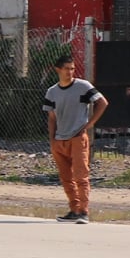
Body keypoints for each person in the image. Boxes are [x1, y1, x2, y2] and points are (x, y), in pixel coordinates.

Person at [43, 53, 107, 224]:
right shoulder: (52, 92)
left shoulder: (83, 86)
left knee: (81, 175)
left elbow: (102, 103)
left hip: (77, 137)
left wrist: (90, 124)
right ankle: (74, 209)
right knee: (66, 178)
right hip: (59, 139)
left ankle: (84, 211)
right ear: (58, 70)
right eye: (66, 69)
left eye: (72, 69)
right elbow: (51, 117)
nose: (70, 72)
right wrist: (52, 140)